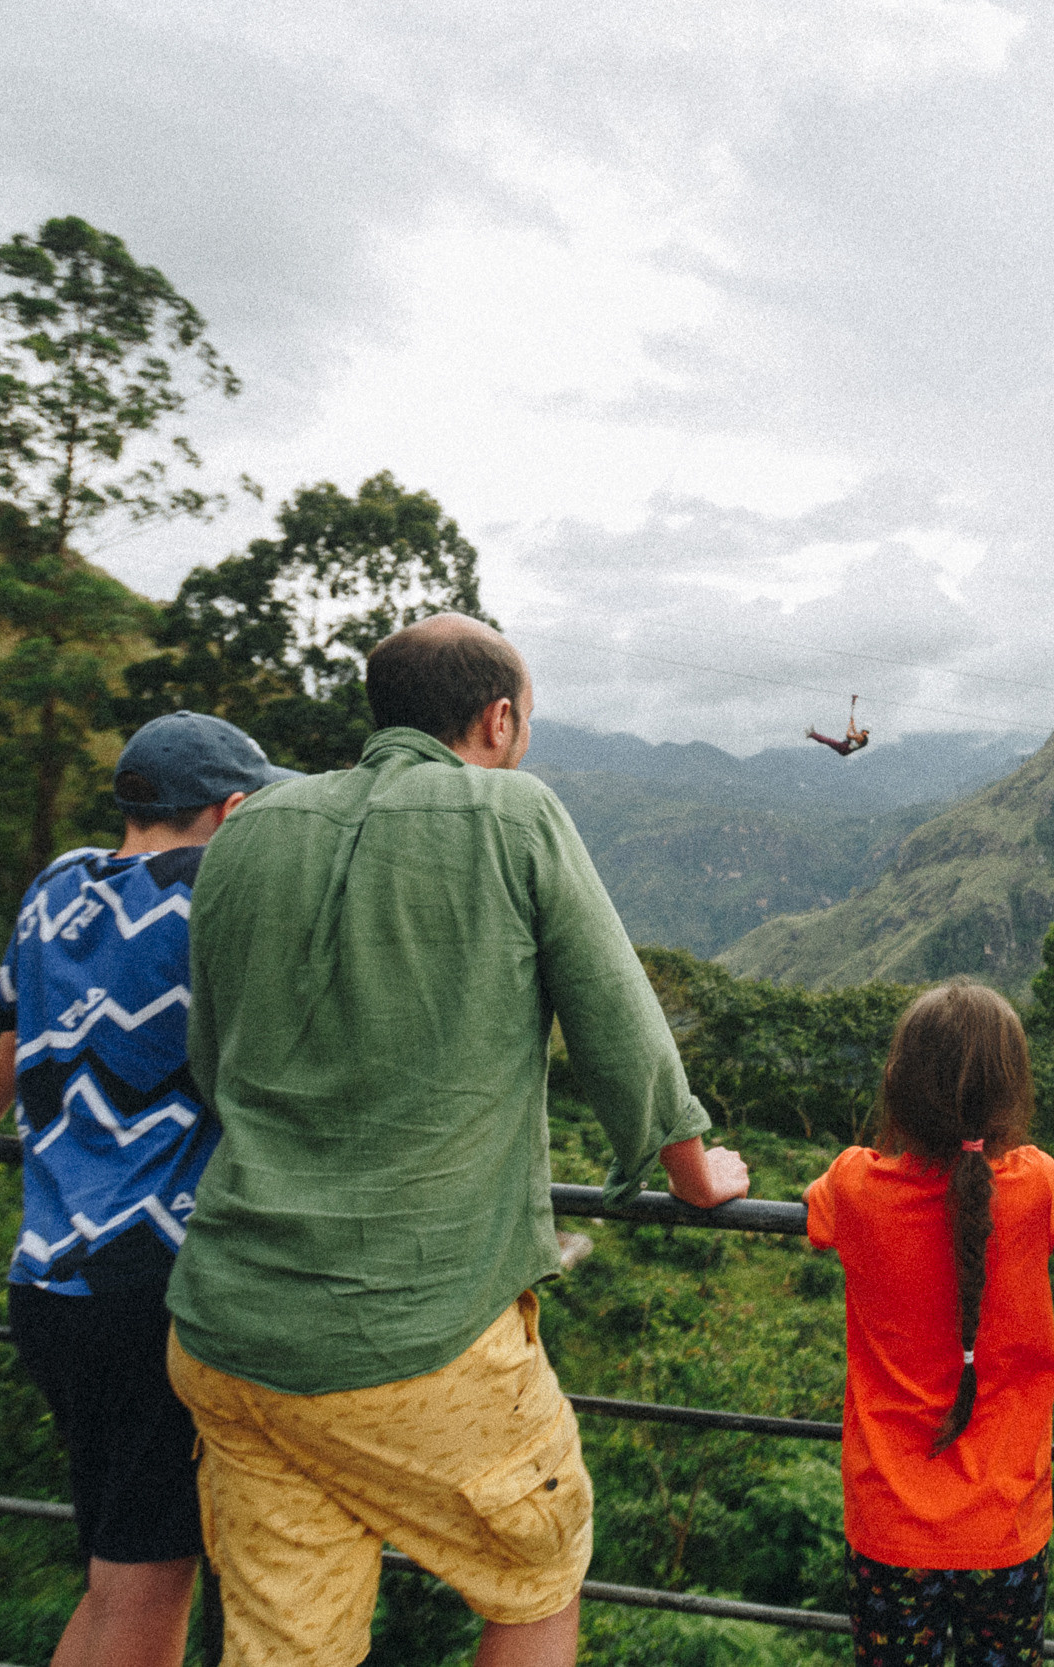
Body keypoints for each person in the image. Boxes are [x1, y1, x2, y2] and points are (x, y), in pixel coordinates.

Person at [162, 612, 751, 1667]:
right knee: (537, 1563)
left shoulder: (247, 828)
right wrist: (694, 1170)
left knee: (282, 1642)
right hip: (413, 1338)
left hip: (228, 1332)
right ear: (498, 717)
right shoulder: (513, 812)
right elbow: (621, 1028)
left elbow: (210, 1059)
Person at [0, 710, 297, 1667]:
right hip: (150, 1287)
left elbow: (15, 1024)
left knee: (115, 1574)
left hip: (48, 1282)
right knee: (149, 1589)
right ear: (232, 808)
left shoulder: (57, 883)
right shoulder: (213, 892)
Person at [804, 979, 1054, 1667]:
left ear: (899, 1088)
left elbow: (819, 1219)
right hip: (1006, 1526)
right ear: (1010, 1095)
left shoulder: (852, 1183)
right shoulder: (1037, 1182)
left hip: (890, 1528)